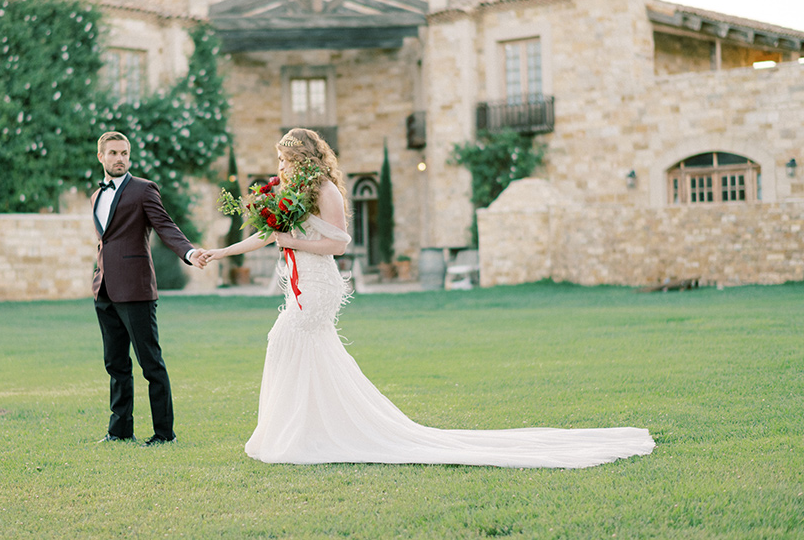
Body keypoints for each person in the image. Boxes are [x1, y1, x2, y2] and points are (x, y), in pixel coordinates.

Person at [201, 128, 655, 467]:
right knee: (294, 347)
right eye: (279, 160)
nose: (279, 167)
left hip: (318, 284)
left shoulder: (325, 190)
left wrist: (292, 243)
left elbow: (340, 243)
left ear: (303, 157)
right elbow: (267, 235)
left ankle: (304, 434)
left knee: (291, 342)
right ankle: (300, 430)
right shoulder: (290, 192)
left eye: (285, 159)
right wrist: (219, 251)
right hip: (301, 281)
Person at [90, 131, 205, 446]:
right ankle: (120, 430)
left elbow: (165, 226)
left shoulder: (143, 190)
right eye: (113, 153)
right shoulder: (96, 196)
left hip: (136, 290)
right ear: (101, 157)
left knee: (150, 363)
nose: (119, 159)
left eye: (124, 153)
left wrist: (189, 253)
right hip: (104, 290)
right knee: (115, 364)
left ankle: (164, 434)